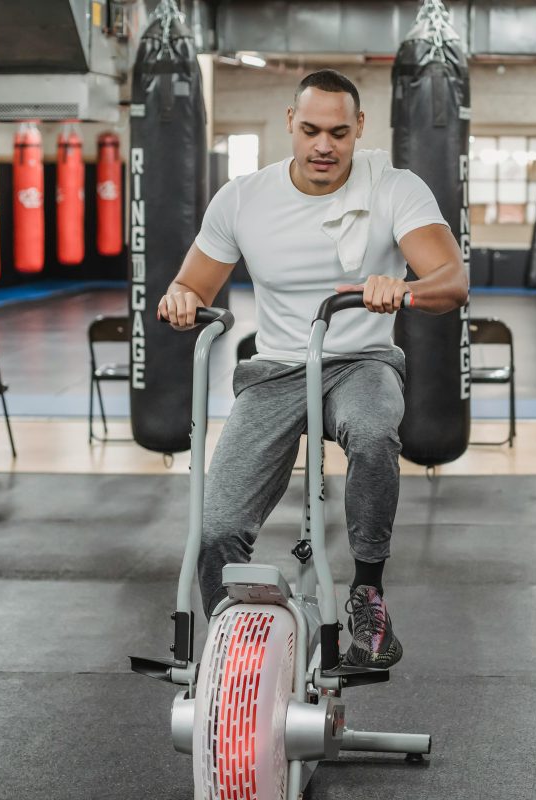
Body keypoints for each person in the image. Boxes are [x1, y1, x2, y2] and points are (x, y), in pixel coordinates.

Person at [158, 69, 467, 669]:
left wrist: (401, 288)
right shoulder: (244, 196)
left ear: (359, 130)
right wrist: (179, 298)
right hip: (275, 368)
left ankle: (367, 591)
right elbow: (192, 282)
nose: (323, 145)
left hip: (360, 360)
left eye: (337, 132)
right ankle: (234, 658)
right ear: (289, 125)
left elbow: (451, 283)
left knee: (375, 432)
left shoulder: (395, 187)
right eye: (310, 130)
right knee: (217, 526)